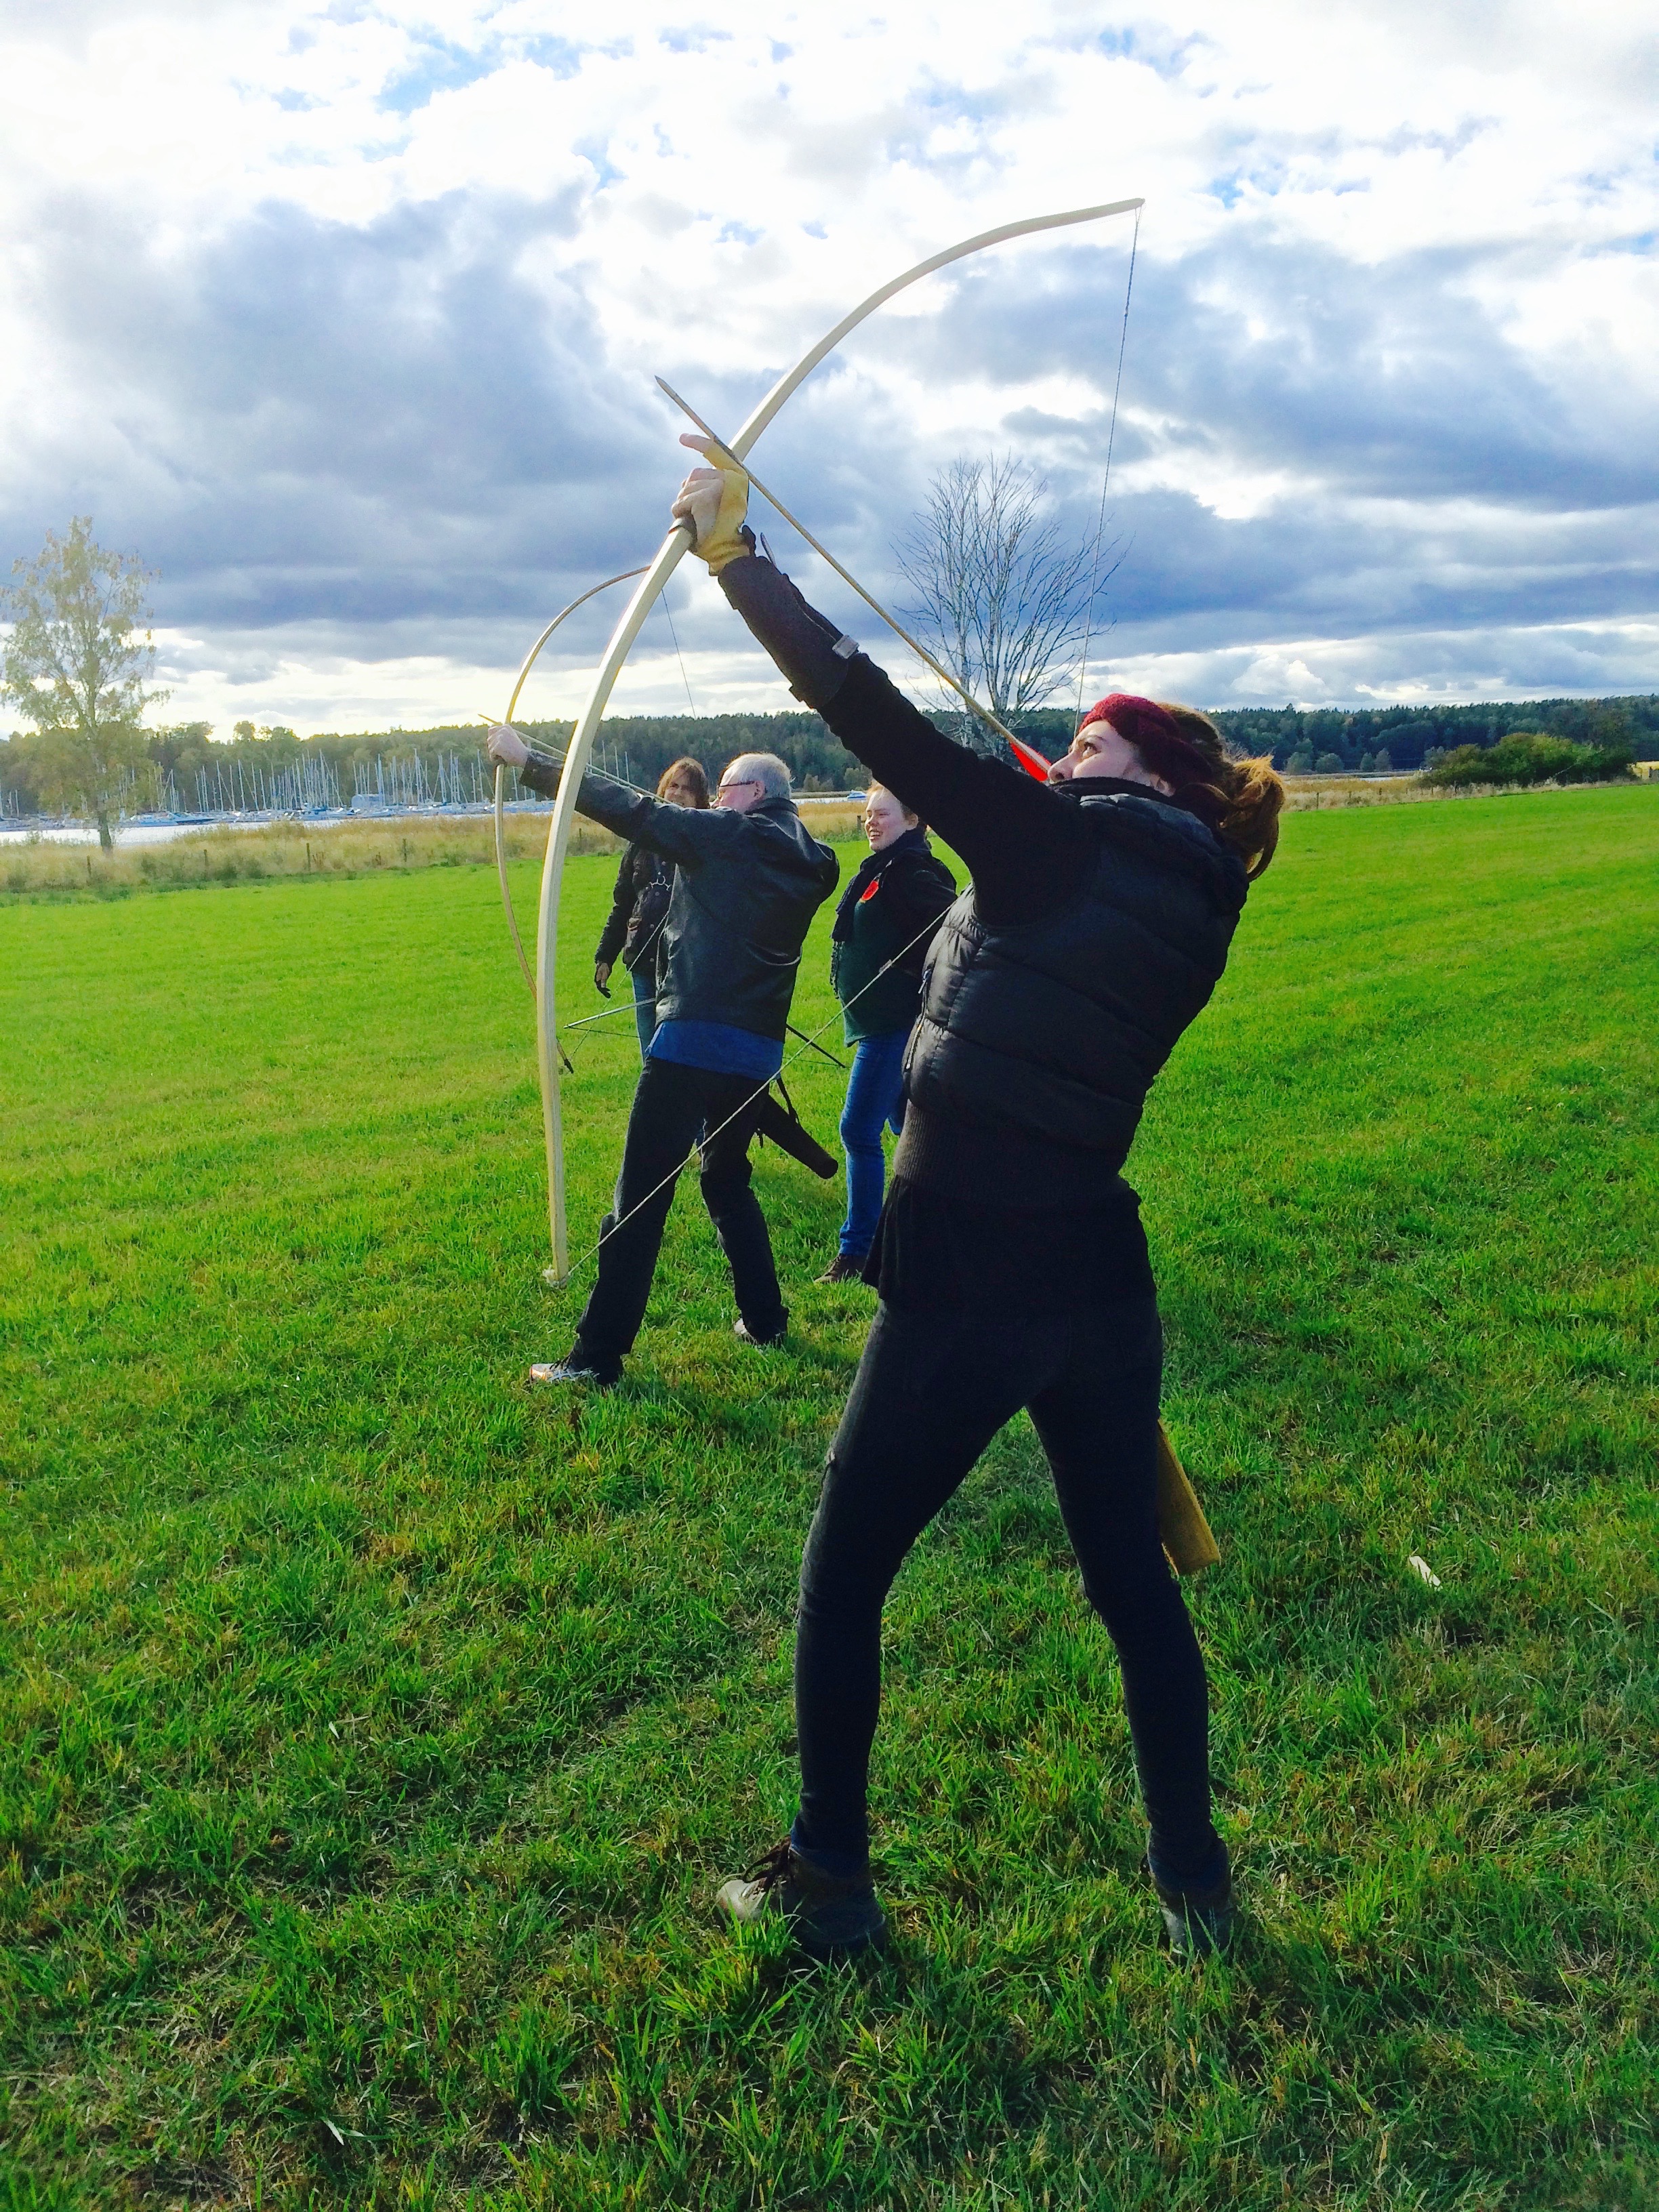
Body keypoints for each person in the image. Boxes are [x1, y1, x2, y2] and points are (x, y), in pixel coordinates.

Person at [669, 438, 1285, 1960]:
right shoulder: (1190, 889)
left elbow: (869, 712)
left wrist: (736, 558)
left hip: (975, 1272)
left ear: (1140, 774)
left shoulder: (1059, 843)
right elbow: (1003, 827)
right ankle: (1195, 1881)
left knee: (843, 1573)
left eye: (1083, 744)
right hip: (1093, 1272)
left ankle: (828, 1880)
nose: (1057, 760)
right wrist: (1043, 792)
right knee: (1130, 1585)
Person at [485, 722, 838, 1387]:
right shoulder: (817, 859)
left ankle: (596, 1358)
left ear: (752, 792)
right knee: (726, 1182)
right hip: (756, 1055)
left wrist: (531, 761)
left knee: (639, 1201)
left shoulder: (731, 835)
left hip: (690, 1047)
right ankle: (765, 1320)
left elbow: (635, 811)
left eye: (724, 788)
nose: (716, 800)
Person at [821, 785, 956, 1283]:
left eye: (882, 814)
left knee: (858, 1130)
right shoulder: (884, 867)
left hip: (894, 1026)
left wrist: (909, 968)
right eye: (866, 815)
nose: (871, 822)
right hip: (877, 1023)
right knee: (908, 1130)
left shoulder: (914, 871)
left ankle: (858, 1251)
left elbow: (956, 928)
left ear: (913, 819)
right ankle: (935, 1230)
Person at [594, 756, 710, 1057]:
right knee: (650, 1046)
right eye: (673, 786)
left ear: (699, 799)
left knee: (684, 1047)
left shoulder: (706, 840)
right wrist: (605, 956)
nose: (678, 793)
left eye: (687, 789)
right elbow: (623, 905)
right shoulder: (640, 842)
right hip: (643, 959)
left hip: (685, 966)